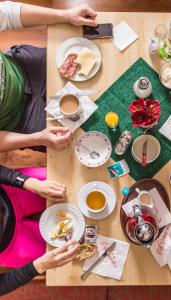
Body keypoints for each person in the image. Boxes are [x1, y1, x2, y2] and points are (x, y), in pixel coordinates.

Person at [0, 1, 98, 152]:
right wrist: (38, 138)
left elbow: (7, 14)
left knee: (95, 81)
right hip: (17, 120)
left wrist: (66, 15)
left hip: (22, 67)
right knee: (80, 140)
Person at [0, 164, 79, 296]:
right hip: (10, 245)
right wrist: (39, 266)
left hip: (10, 192)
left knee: (69, 182)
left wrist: (26, 181)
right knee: (72, 251)